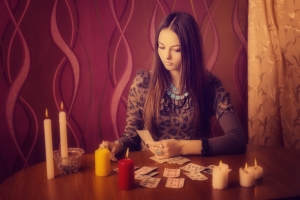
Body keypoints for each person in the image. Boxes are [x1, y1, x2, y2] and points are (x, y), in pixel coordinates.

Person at [103, 12, 247, 159]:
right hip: (151, 167)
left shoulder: (209, 84)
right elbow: (132, 136)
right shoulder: (142, 84)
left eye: (176, 49)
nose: (166, 56)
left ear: (191, 50)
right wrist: (118, 145)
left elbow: (238, 139)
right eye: (162, 47)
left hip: (193, 168)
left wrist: (180, 147)